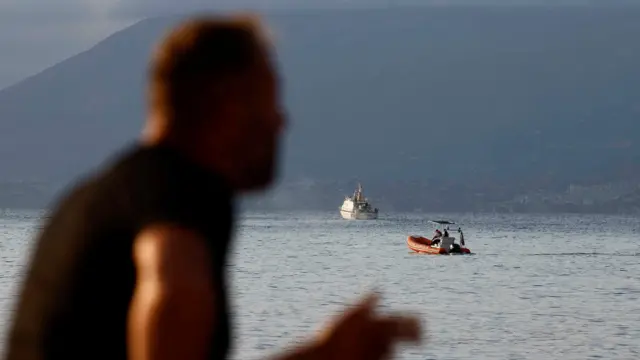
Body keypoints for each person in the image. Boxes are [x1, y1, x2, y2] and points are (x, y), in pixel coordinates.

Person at [4, 14, 421, 360]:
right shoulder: (176, 195)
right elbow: (172, 291)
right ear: (225, 107)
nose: (281, 123)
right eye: (269, 104)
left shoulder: (104, 195)